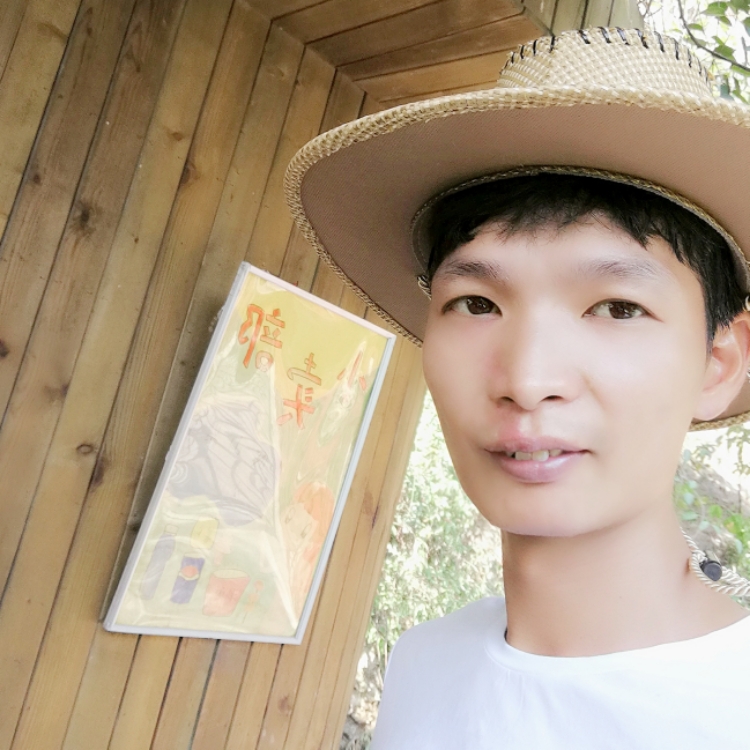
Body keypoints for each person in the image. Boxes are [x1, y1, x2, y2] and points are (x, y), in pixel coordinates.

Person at [285, 26, 750, 749]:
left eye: (617, 308)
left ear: (718, 364)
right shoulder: (424, 663)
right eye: (476, 303)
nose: (528, 381)